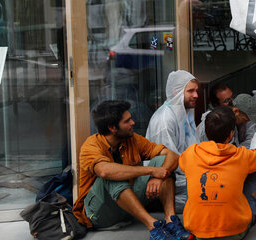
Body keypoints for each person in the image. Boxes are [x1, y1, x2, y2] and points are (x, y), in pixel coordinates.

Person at [73, 101, 193, 240]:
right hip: (98, 214)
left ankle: (171, 221)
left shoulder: (132, 139)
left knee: (162, 162)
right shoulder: (91, 145)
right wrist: (151, 171)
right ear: (112, 128)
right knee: (111, 175)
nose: (133, 123)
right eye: (127, 121)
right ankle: (154, 227)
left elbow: (172, 155)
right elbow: (105, 171)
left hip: (125, 209)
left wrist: (158, 176)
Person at [180, 107, 256, 239]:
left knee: (193, 175)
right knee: (255, 169)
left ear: (206, 132)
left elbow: (182, 164)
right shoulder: (242, 155)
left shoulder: (190, 153)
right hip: (234, 232)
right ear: (230, 135)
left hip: (198, 231)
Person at [145, 70, 200, 212]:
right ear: (176, 92)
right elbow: (168, 162)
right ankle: (159, 203)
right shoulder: (164, 119)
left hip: (185, 174)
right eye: (191, 91)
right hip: (169, 178)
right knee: (207, 193)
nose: (196, 95)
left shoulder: (184, 113)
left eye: (196, 91)